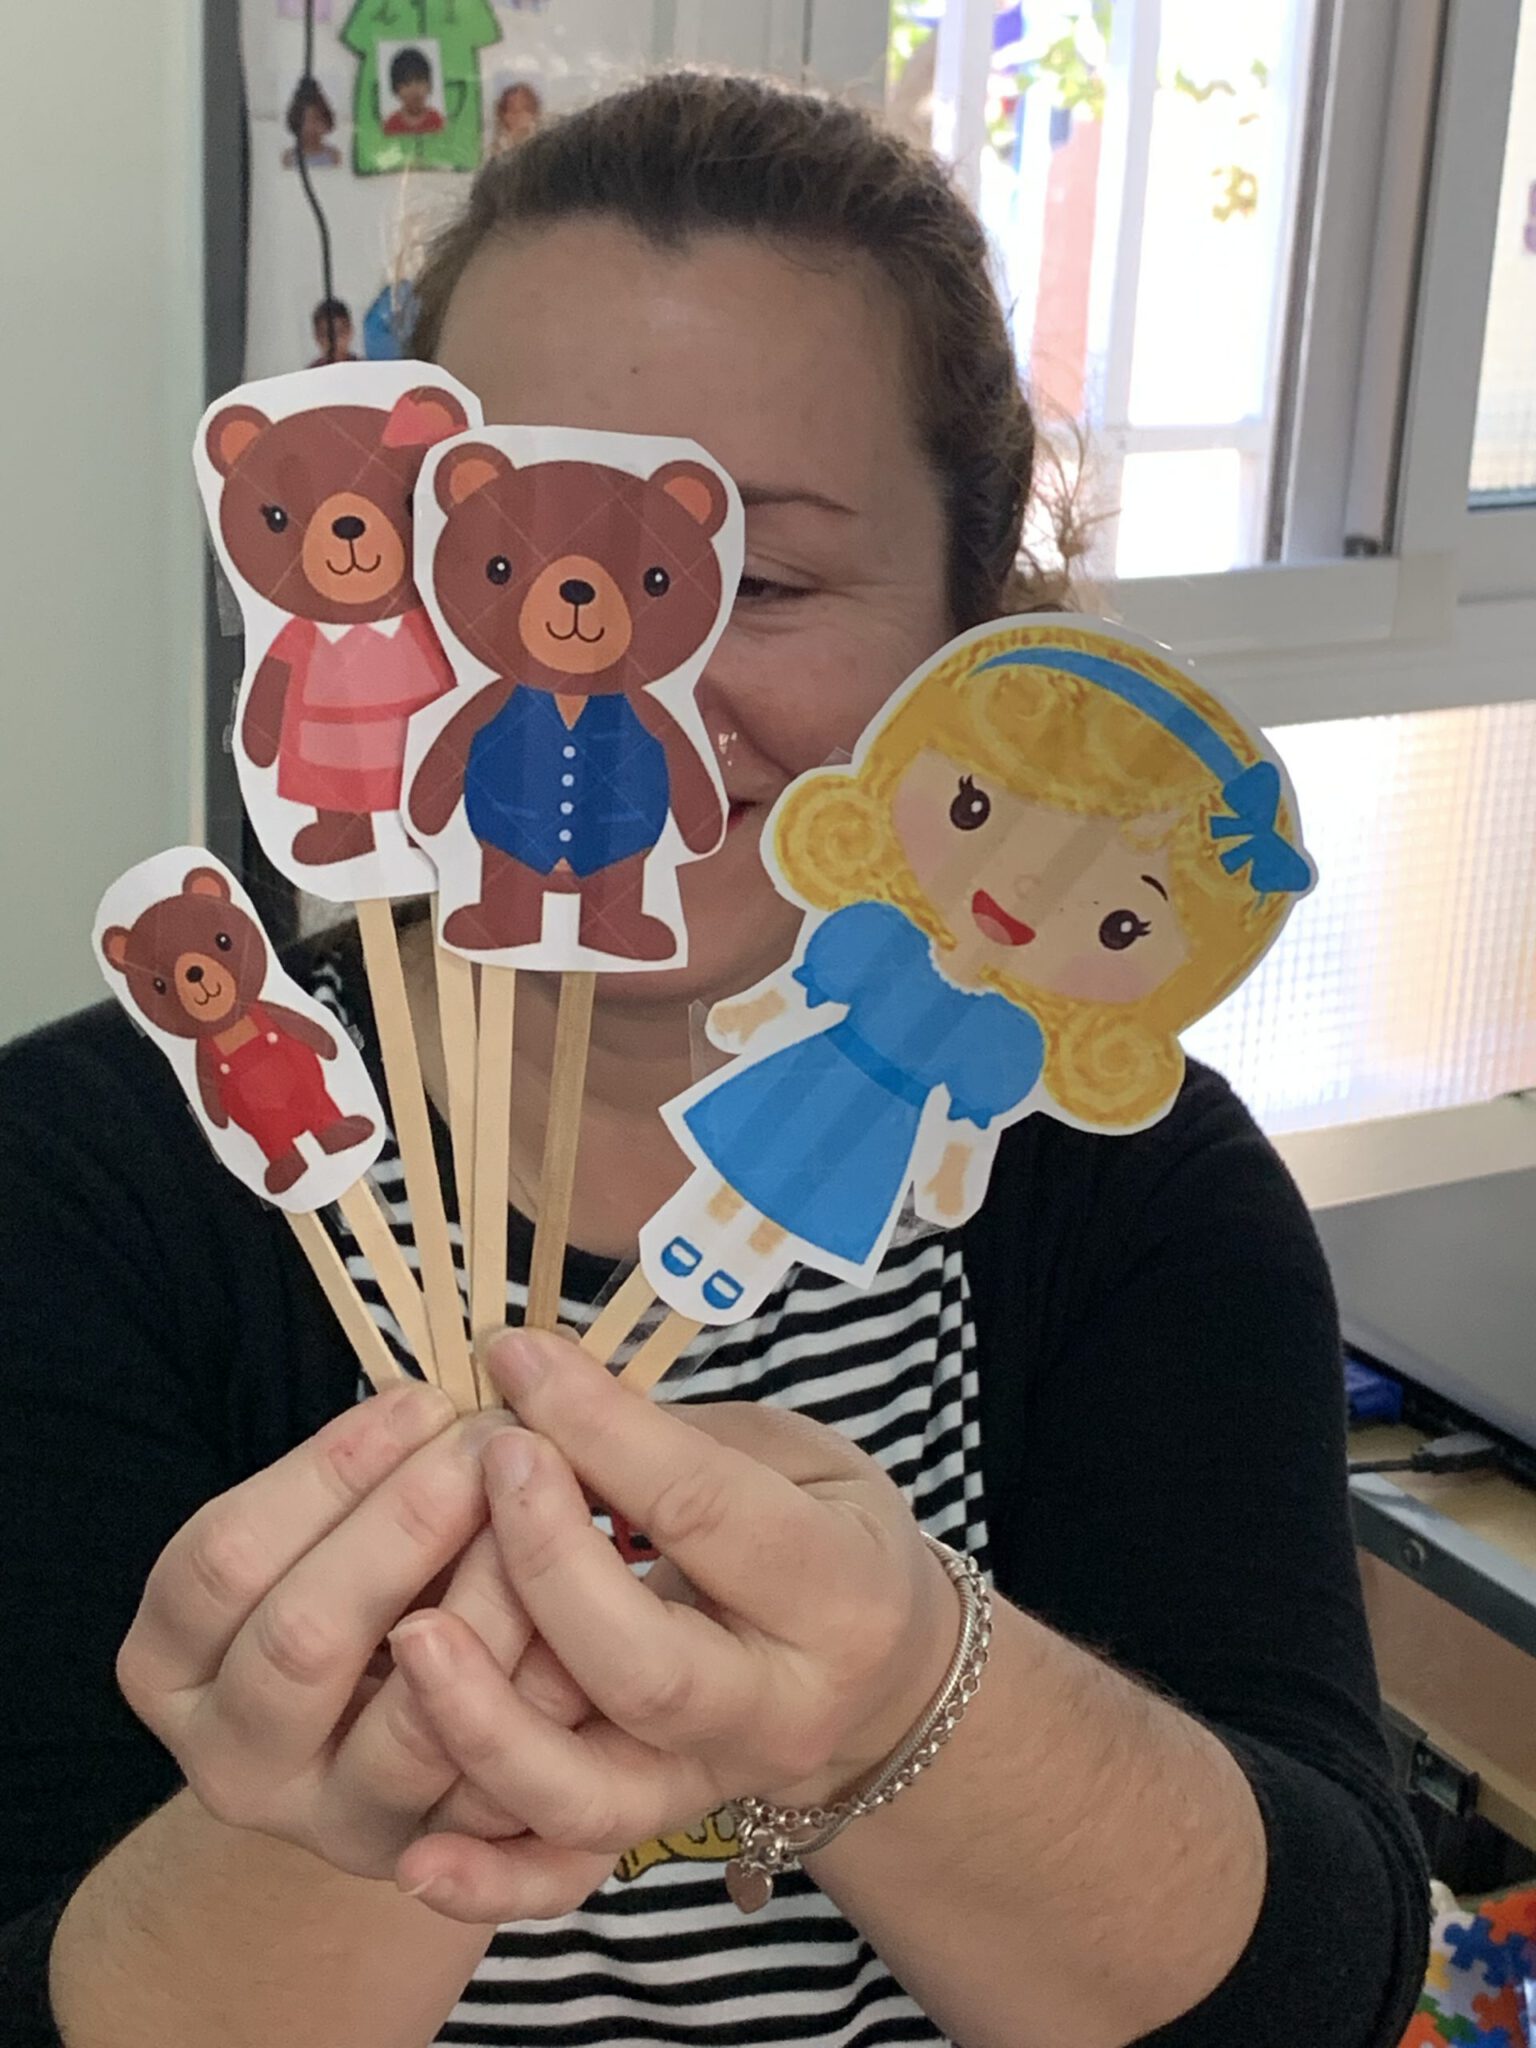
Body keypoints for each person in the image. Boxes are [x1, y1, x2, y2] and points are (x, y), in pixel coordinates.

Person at [0, 71, 1428, 2048]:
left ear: (973, 634)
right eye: (498, 541)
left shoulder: (1123, 1182)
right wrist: (366, 1792)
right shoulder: (97, 1173)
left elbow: (1312, 1991)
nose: (612, 655)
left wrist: (898, 1695)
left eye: (756, 582)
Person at [383, 47, 445, 137]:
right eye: (407, 83)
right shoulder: (391, 124)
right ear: (396, 89)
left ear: (429, 85)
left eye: (419, 81)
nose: (414, 89)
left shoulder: (436, 120)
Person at [283, 77, 341, 169]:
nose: (310, 126)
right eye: (304, 121)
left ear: (326, 122)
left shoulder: (334, 156)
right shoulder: (289, 158)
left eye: (316, 120)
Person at [491, 79, 544, 153]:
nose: (517, 117)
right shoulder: (497, 147)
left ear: (533, 114)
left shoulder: (543, 143)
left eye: (522, 110)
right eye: (512, 111)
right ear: (503, 115)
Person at [308, 296, 358, 365]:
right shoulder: (314, 371)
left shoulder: (363, 367)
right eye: (325, 334)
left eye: (340, 332)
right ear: (316, 336)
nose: (333, 341)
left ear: (350, 331)